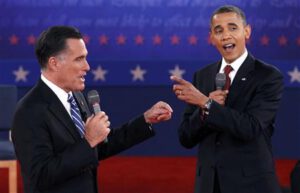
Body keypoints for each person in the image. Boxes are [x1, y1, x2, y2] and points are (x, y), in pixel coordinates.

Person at [12, 26, 173, 193]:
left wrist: (145, 120)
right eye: (79, 59)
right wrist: (88, 141)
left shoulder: (76, 96)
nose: (87, 66)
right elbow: (40, 177)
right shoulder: (29, 111)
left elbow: (96, 148)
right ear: (54, 63)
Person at [171, 5, 283, 193]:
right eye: (218, 30)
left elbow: (250, 128)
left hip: (252, 185)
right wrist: (203, 110)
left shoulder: (268, 76)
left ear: (247, 32)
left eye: (233, 28)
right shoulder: (202, 76)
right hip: (208, 185)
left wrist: (207, 104)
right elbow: (185, 137)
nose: (226, 35)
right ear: (211, 38)